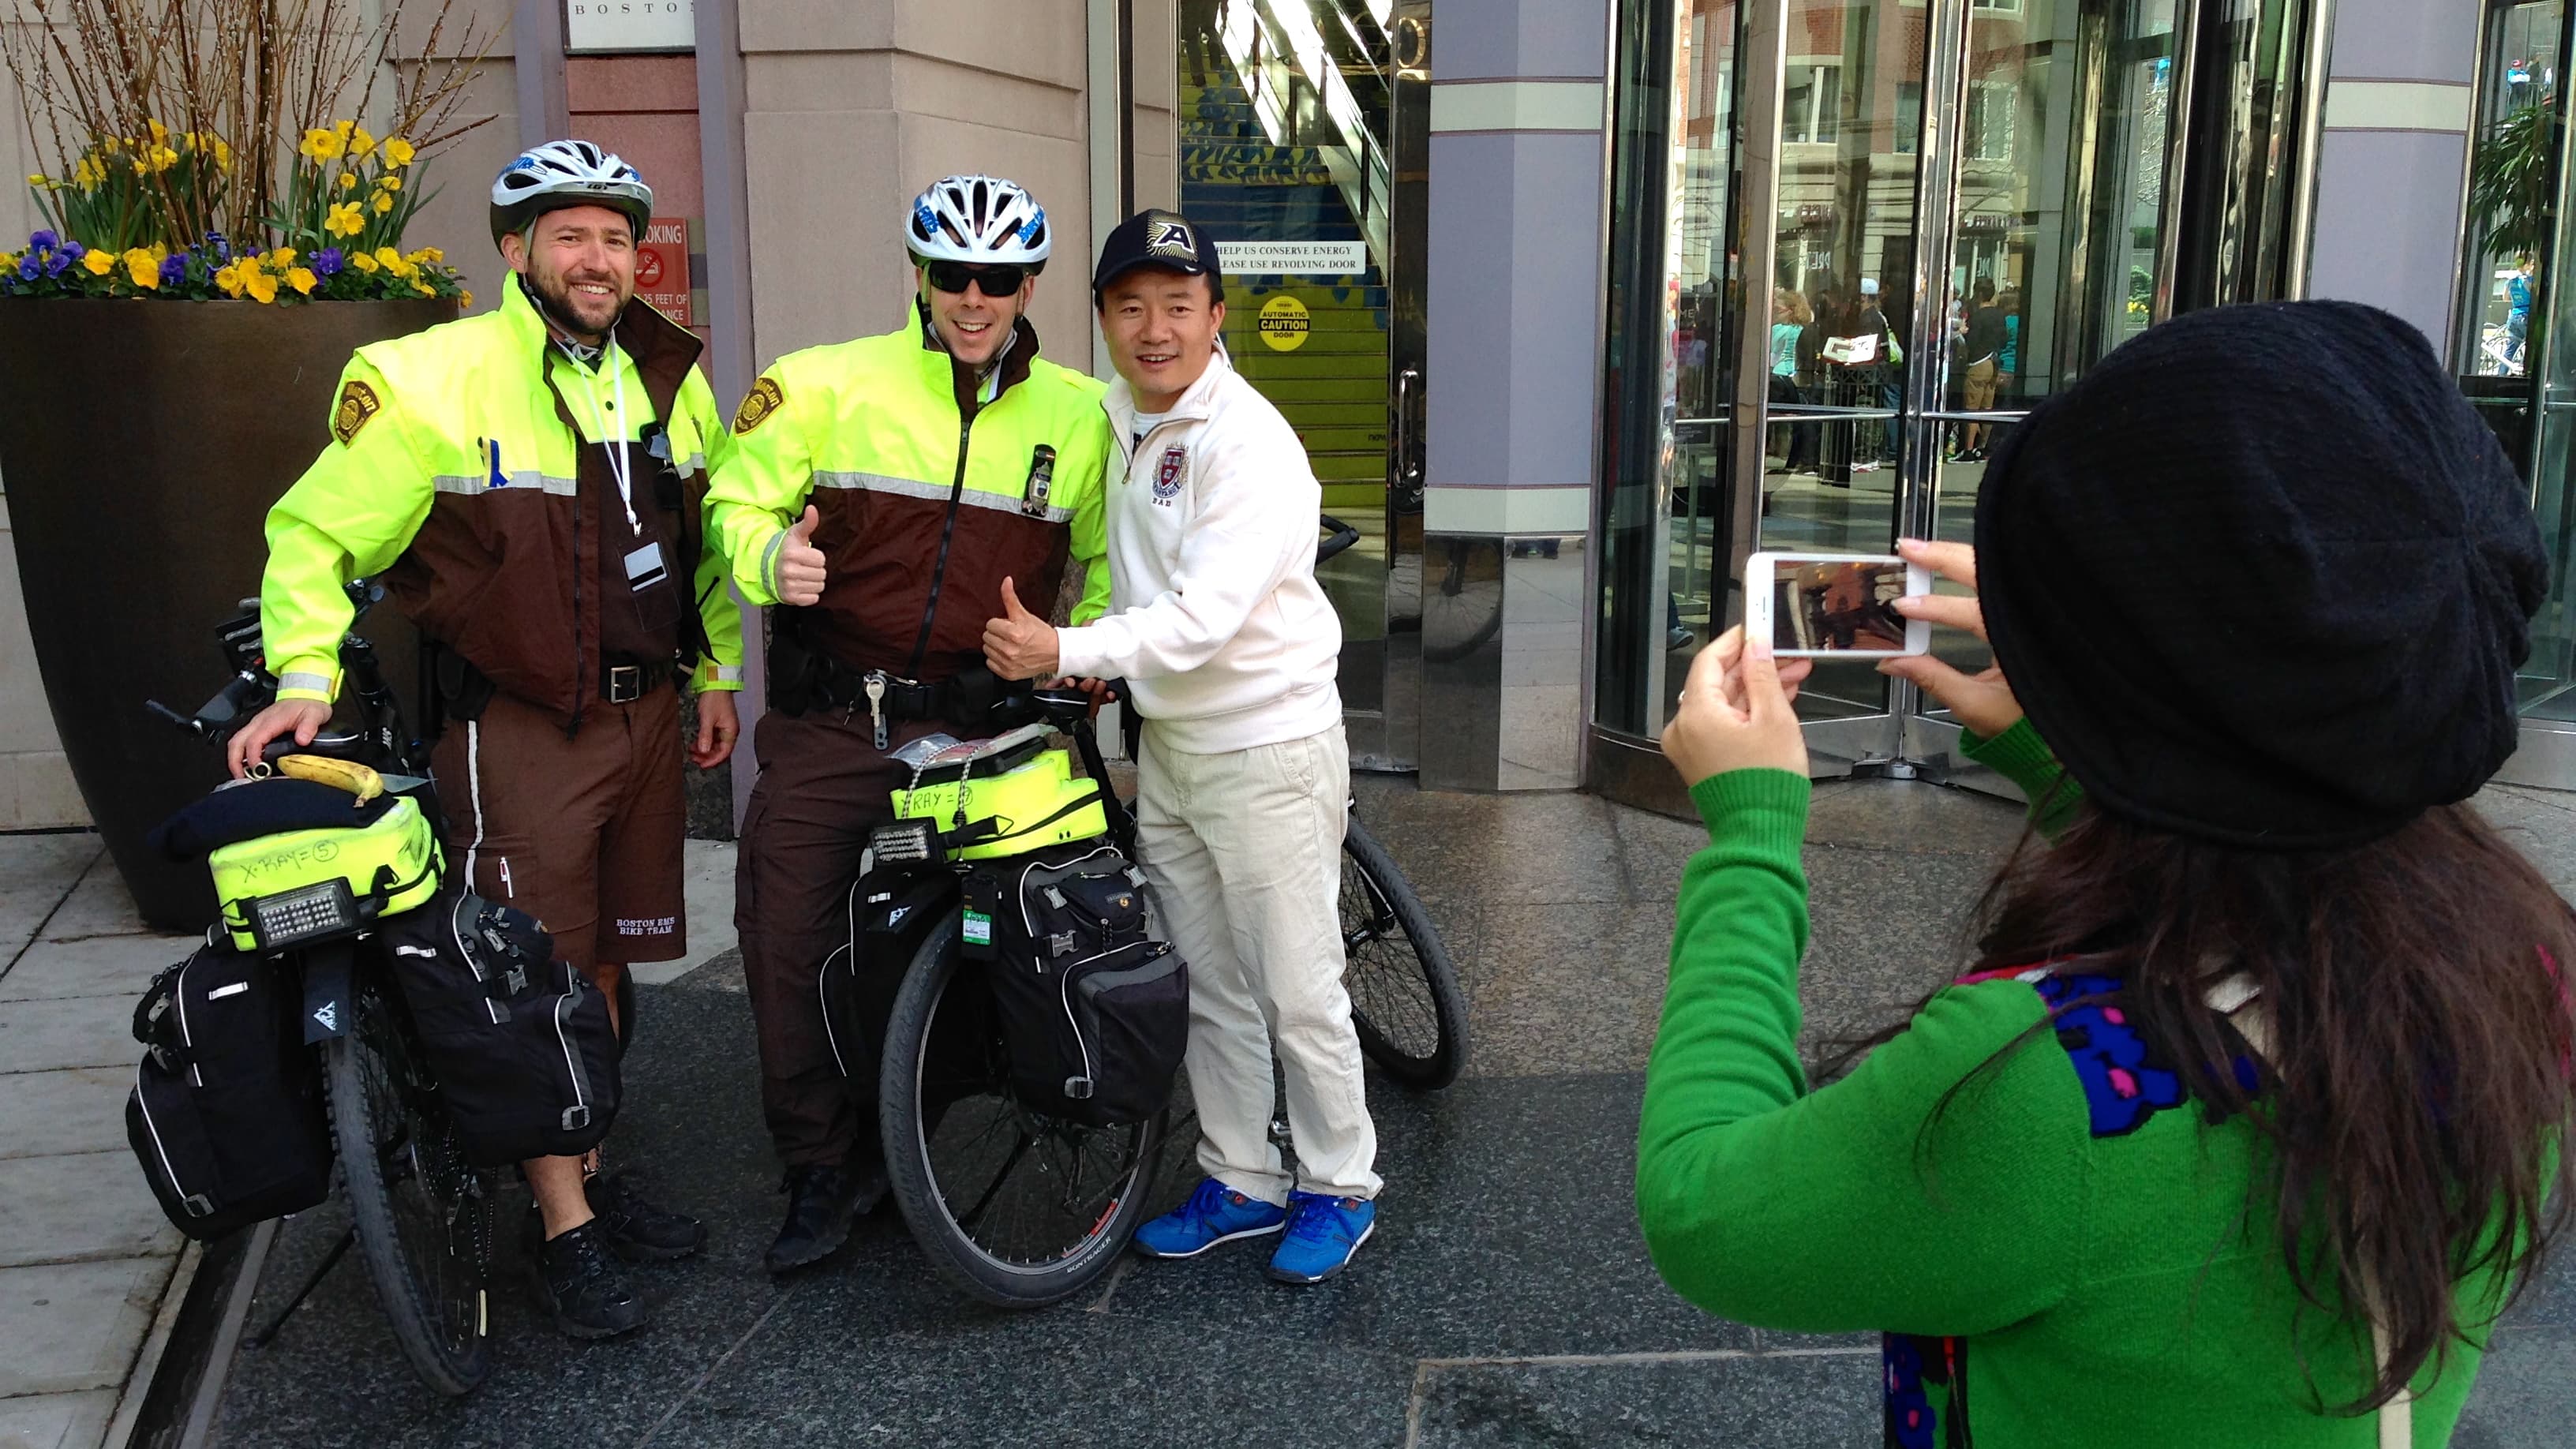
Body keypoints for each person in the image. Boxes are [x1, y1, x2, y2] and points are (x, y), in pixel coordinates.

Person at [1637, 301, 2572, 1444]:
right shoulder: (2524, 964)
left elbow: (1709, 1212)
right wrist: (2083, 731)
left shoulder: (2052, 1090)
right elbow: (2268, 869)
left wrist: (1750, 832)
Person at [230, 140, 744, 1339]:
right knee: (530, 977)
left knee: (611, 963)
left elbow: (703, 543)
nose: (597, 258)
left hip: (649, 711)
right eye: (569, 236)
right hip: (519, 727)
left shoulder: (672, 378)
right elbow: (313, 535)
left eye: (616, 237)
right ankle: (562, 1229)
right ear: (516, 252)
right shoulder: (424, 378)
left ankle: (591, 1175)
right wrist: (304, 672)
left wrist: (714, 670)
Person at [701, 174, 1116, 1275]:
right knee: (788, 940)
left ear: (1030, 284)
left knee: (998, 940)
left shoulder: (1079, 414)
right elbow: (732, 503)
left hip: (988, 731)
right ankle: (820, 1167)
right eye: (951, 276)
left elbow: (1120, 559)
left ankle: (919, 1136)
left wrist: (1096, 651)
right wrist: (765, 558)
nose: (973, 300)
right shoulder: (820, 384)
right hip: (838, 722)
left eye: (998, 279)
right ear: (919, 276)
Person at [980, 208, 1383, 1285]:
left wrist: (1066, 644)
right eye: (1130, 307)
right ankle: (1243, 1176)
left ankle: (1342, 1185)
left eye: (1176, 305)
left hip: (1268, 750)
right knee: (1204, 979)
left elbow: (1202, 619)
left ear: (1215, 315)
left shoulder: (1248, 444)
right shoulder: (1118, 418)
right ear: (1106, 319)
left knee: (1298, 985)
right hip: (1176, 749)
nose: (1154, 328)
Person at [1956, 277, 2005, 460]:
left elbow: (1972, 342)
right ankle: (1983, 448)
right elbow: (2004, 339)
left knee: (1972, 409)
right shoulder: (2000, 315)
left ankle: (1969, 450)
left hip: (1978, 363)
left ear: (1979, 294)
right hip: (1994, 363)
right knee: (1987, 408)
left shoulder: (1978, 316)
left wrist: (1962, 334)